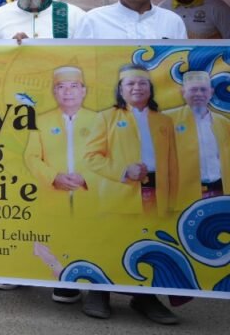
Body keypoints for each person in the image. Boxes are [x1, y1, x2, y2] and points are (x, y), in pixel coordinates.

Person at [80, 64, 179, 324]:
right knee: (111, 243)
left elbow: (173, 164)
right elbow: (90, 158)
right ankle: (99, 292)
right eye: (130, 84)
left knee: (152, 245)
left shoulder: (164, 121)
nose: (136, 88)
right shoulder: (106, 118)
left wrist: (173, 200)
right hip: (120, 194)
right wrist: (124, 170)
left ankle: (145, 297)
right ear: (121, 90)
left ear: (151, 88)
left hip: (156, 195)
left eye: (142, 83)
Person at [19, 66, 108, 302]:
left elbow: (110, 156)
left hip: (90, 197)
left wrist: (86, 177)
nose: (67, 92)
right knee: (46, 240)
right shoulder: (41, 120)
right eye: (61, 87)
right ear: (54, 92)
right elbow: (31, 157)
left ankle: (88, 285)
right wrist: (54, 177)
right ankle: (61, 277)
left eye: (73, 86)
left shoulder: (100, 120)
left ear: (84, 91)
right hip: (52, 196)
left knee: (91, 239)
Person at [165, 71, 229, 208]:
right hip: (184, 192)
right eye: (193, 89)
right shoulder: (166, 120)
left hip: (220, 189)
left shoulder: (223, 123)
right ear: (183, 92)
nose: (199, 94)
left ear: (211, 92)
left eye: (203, 89)